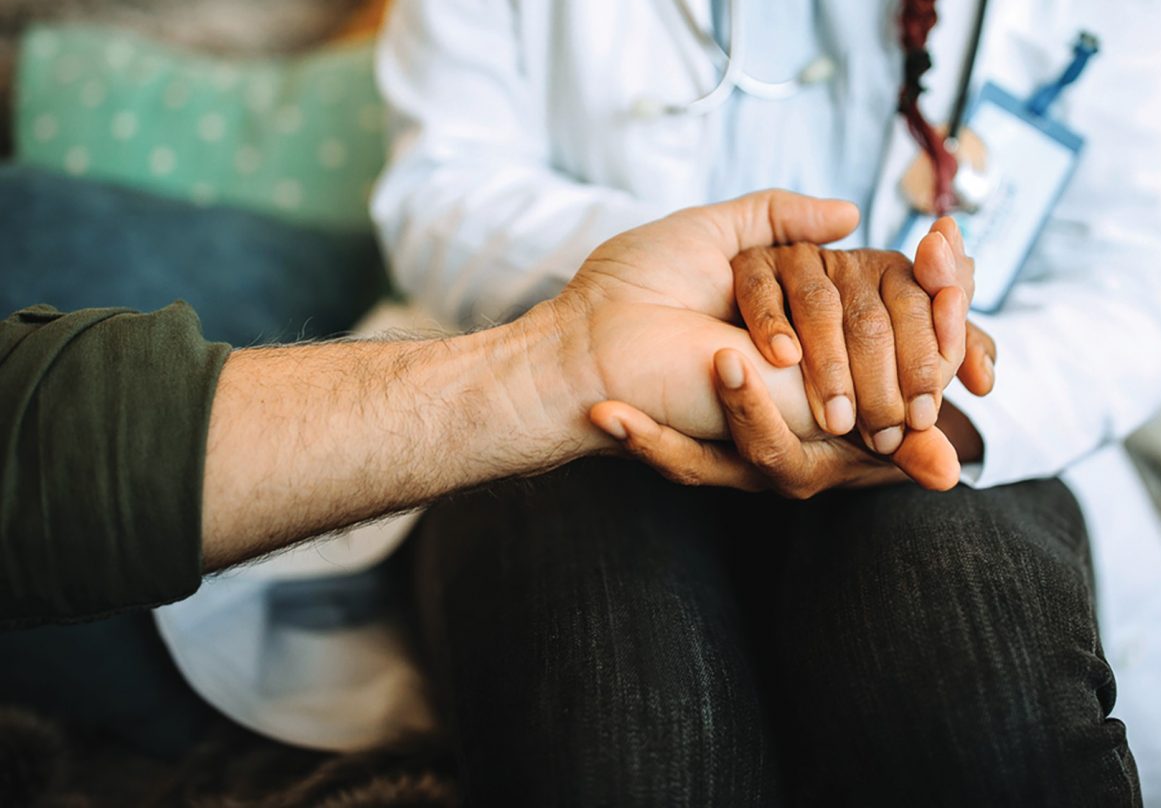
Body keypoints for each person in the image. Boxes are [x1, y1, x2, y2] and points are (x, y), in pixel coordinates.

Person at [361, 0, 1161, 803]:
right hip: (582, 390)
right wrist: (739, 297)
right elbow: (441, 184)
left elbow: (1139, 271)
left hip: (929, 420)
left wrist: (920, 389)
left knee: (983, 711)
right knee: (623, 739)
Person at [0, 189, 981, 626]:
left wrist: (924, 362)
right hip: (591, 355)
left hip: (966, 414)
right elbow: (440, 185)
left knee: (959, 621)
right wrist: (582, 348)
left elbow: (1130, 279)